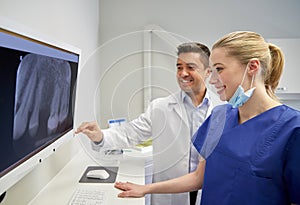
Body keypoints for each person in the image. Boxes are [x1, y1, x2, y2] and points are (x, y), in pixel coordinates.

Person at [114, 31, 300, 205]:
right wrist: (146, 189)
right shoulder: (219, 117)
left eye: (219, 69)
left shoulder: (292, 129)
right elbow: (199, 177)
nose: (212, 80)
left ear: (252, 67)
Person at [76, 42, 222, 205]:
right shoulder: (160, 107)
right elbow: (130, 133)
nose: (183, 73)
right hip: (169, 196)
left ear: (208, 72)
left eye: (190, 67)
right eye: (179, 67)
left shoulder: (222, 110)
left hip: (207, 193)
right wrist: (100, 136)